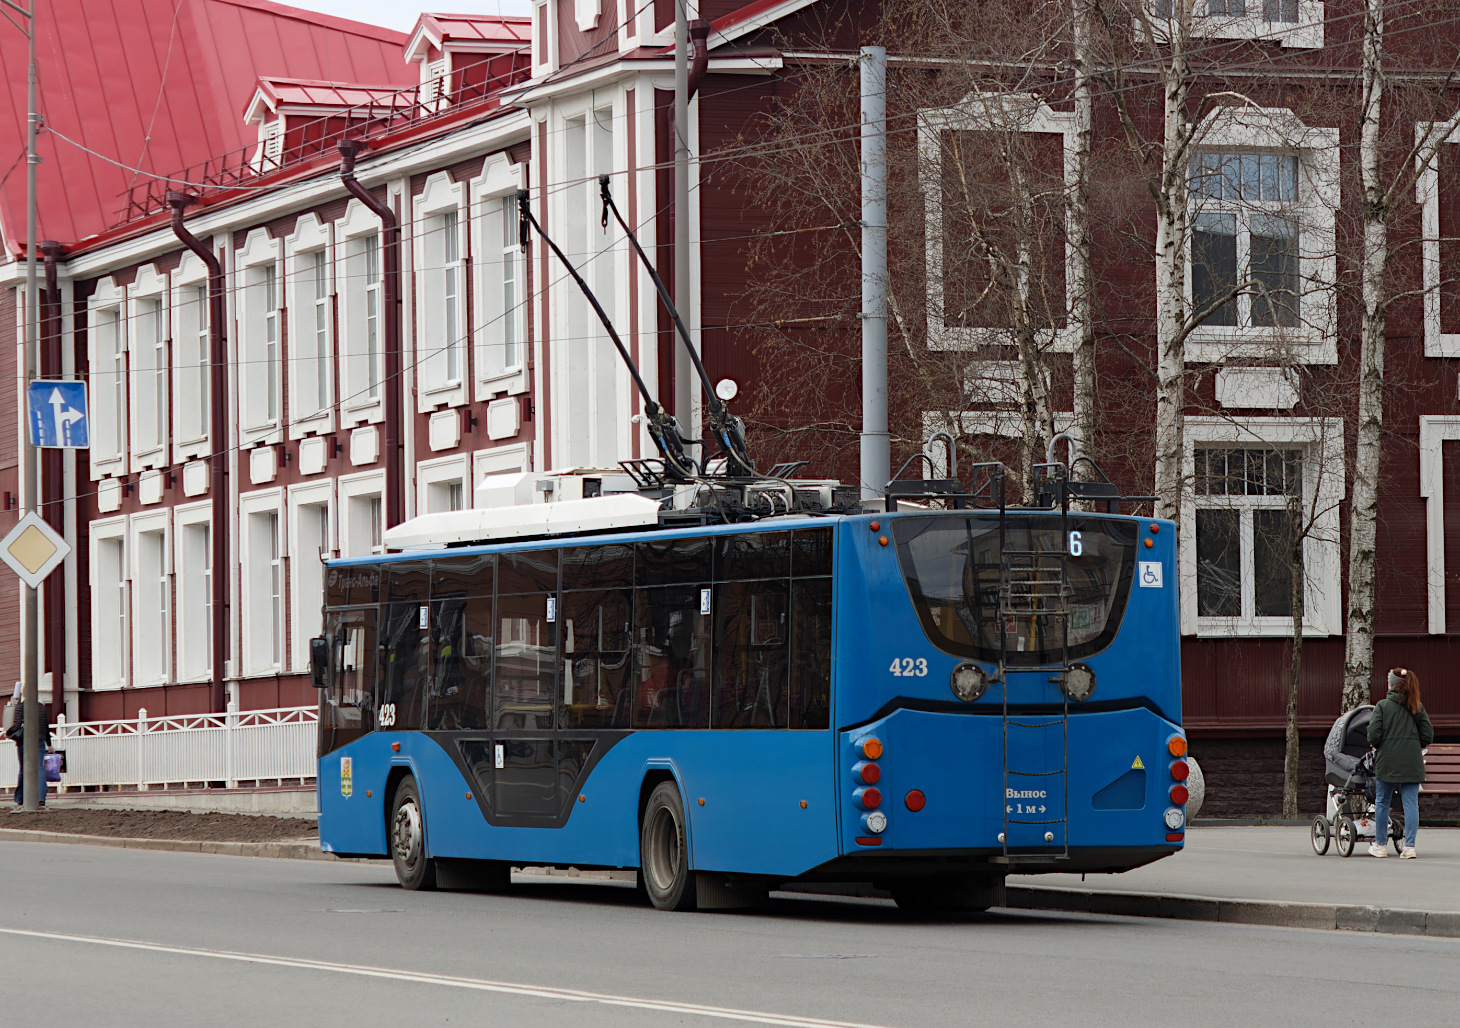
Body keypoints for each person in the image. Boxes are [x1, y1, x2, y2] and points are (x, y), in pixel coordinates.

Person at [1367, 667, 1434, 858]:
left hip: (1387, 761)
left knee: (1382, 802)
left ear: (1392, 684)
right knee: (1410, 803)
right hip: (1411, 761)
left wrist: (1381, 745)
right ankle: (1409, 847)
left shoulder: (1382, 706)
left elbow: (1373, 735)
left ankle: (1380, 846)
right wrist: (1413, 745)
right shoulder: (1417, 706)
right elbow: (1428, 735)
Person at [8, 686, 52, 808]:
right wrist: (49, 744)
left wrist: (9, 733)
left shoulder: (21, 707)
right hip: (40, 739)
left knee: (23, 769)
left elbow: (17, 725)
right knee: (39, 768)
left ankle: (20, 798)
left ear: (24, 694)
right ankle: (41, 798)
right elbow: (46, 727)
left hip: (25, 741)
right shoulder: (41, 707)